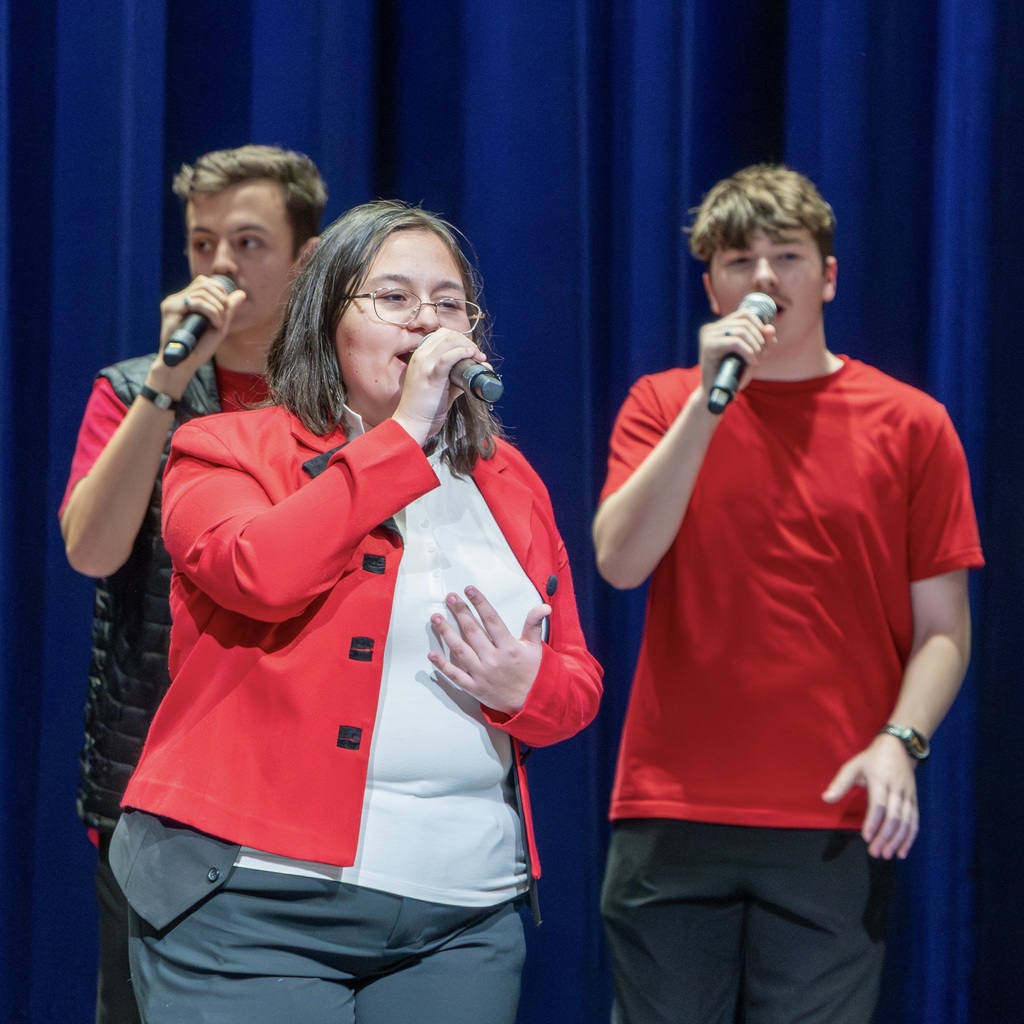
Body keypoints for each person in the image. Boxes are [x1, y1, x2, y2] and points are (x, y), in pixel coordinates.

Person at [107, 199, 603, 1024]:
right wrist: (403, 435)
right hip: (250, 898)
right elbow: (260, 573)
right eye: (395, 297)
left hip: (460, 914)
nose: (427, 321)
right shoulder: (226, 448)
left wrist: (526, 684)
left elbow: (577, 681)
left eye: (449, 303)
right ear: (327, 317)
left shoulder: (508, 477)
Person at [594, 164, 983, 1024]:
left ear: (830, 275)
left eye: (787, 256)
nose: (764, 279)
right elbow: (620, 562)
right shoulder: (663, 404)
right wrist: (707, 403)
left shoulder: (912, 424)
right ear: (711, 284)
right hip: (671, 808)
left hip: (833, 813)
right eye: (739, 261)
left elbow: (944, 629)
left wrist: (900, 743)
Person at [59, 143, 327, 1024]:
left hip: (301, 779)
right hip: (156, 785)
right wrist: (167, 386)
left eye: (248, 243)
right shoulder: (136, 389)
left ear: (305, 257)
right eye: (202, 243)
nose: (221, 266)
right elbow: (91, 551)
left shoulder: (342, 400)